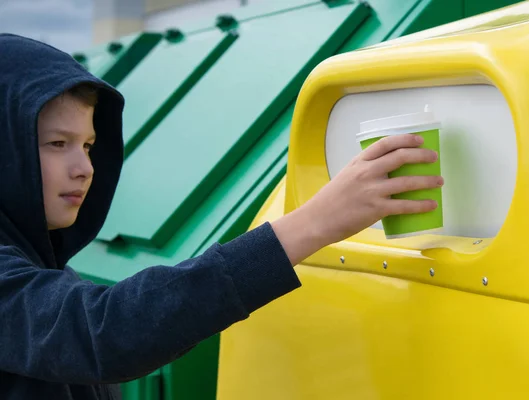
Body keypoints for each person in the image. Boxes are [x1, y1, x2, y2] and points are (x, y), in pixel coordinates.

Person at [0, 33, 443, 399]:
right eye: (58, 144)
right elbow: (105, 331)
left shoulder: (50, 269)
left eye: (89, 146)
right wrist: (315, 222)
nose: (84, 168)